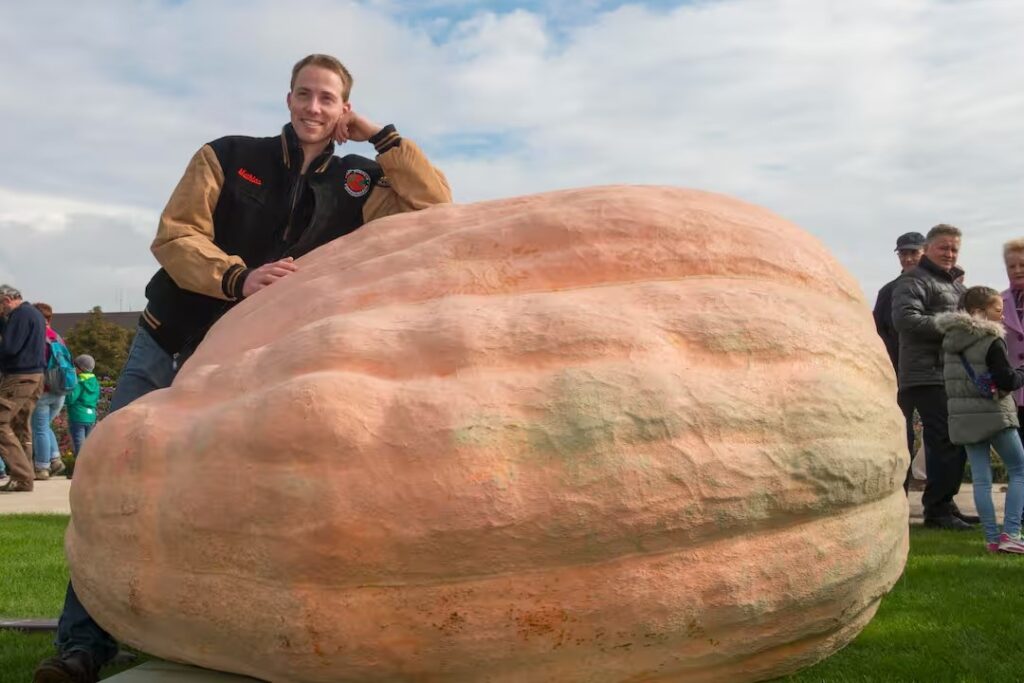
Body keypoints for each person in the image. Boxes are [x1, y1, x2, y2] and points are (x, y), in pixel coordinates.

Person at [33, 53, 452, 683]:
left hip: (246, 368)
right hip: (168, 342)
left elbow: (436, 209)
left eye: (328, 99)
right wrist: (238, 277)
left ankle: (200, 628)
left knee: (229, 498)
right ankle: (83, 647)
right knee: (114, 489)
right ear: (287, 99)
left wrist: (383, 137)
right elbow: (176, 237)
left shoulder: (361, 184)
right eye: (304, 94)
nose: (314, 108)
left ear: (343, 109)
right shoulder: (226, 156)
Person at [891, 224, 976, 529]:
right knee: (943, 441)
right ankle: (937, 512)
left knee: (954, 441)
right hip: (925, 373)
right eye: (944, 247)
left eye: (954, 249)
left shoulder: (956, 286)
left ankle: (945, 503)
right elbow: (905, 319)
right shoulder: (914, 281)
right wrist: (952, 323)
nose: (950, 254)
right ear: (928, 249)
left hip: (949, 373)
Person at [937, 286, 1024, 553]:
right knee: (1020, 469)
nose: (1002, 317)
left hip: (964, 419)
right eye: (997, 310)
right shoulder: (991, 340)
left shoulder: (950, 342)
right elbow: (1007, 379)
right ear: (978, 312)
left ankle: (991, 539)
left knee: (981, 479)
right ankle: (1011, 533)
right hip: (994, 415)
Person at [873, 232, 926, 469]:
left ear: (924, 252)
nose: (908, 258)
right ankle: (901, 491)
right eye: (903, 253)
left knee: (941, 435)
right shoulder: (888, 292)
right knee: (901, 433)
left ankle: (939, 501)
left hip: (933, 372)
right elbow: (877, 332)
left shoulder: (937, 287)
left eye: (913, 252)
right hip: (899, 374)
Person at [0, 284, 48, 493]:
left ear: (6, 300)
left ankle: (21, 476)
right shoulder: (35, 314)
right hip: (35, 375)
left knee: (0, 422)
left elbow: (10, 348)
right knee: (20, 424)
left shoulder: (19, 316)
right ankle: (24, 478)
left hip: (20, 376)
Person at [30, 302, 69, 479]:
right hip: (60, 390)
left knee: (39, 429)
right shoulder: (57, 337)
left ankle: (42, 467)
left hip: (43, 390)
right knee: (44, 427)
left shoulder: (36, 336)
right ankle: (56, 460)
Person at [1001, 239, 1024, 443]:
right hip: (1012, 393)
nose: (1017, 270)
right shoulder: (997, 302)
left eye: (1022, 265)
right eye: (1011, 266)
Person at [64, 355, 100, 470]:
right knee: (88, 444)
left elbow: (71, 399)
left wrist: (65, 394)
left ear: (80, 368)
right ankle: (90, 467)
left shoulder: (79, 381)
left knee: (79, 444)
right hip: (91, 416)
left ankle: (81, 469)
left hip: (78, 415)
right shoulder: (94, 381)